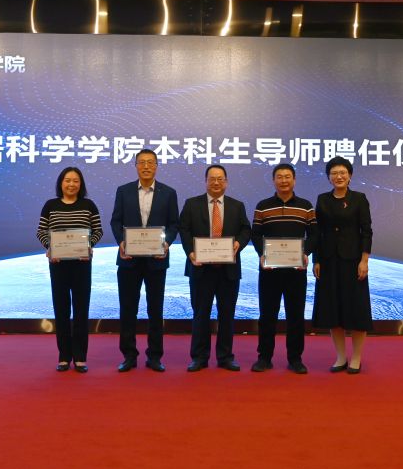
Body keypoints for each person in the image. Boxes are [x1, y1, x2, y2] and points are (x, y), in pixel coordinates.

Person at [109, 149, 180, 373]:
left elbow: (174, 224)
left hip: (156, 260)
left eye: (150, 162)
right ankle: (129, 356)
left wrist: (166, 243)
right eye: (142, 162)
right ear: (136, 166)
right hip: (128, 259)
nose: (146, 166)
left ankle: (154, 356)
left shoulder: (169, 193)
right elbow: (115, 221)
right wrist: (121, 242)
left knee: (155, 310)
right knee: (128, 309)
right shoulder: (124, 191)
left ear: (156, 166)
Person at [178, 164, 250, 372]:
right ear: (205, 181)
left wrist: (238, 244)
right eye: (212, 179)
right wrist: (191, 253)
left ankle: (225, 356)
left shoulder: (237, 206)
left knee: (227, 314)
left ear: (226, 182)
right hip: (200, 268)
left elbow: (246, 229)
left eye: (220, 179)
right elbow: (184, 230)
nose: (216, 182)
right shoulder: (192, 204)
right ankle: (199, 357)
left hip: (228, 270)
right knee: (200, 314)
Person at [250, 163, 318, 375]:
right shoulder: (263, 206)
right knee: (267, 315)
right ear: (273, 180)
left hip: (296, 271)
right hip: (269, 270)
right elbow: (255, 234)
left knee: (296, 316)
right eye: (279, 177)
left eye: (287, 176)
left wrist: (305, 252)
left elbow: (314, 235)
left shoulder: (306, 207)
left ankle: (295, 359)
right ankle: (264, 357)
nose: (283, 180)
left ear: (294, 180)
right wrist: (262, 254)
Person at [36, 166, 103, 374]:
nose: (71, 184)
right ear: (61, 183)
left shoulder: (89, 205)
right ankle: (64, 356)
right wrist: (50, 247)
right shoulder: (50, 205)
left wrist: (88, 245)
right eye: (67, 180)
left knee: (81, 311)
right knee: (62, 310)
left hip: (82, 265)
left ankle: (80, 357)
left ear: (81, 184)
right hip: (58, 265)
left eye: (75, 181)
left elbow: (98, 231)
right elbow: (41, 231)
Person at [313, 156, 373, 374]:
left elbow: (366, 231)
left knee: (356, 310)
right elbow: (318, 232)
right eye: (334, 173)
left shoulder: (359, 198)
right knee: (333, 309)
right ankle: (340, 357)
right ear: (328, 177)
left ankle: (356, 357)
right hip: (329, 261)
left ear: (350, 176)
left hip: (353, 262)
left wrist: (364, 260)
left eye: (342, 173)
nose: (338, 176)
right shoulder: (322, 199)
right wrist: (317, 260)